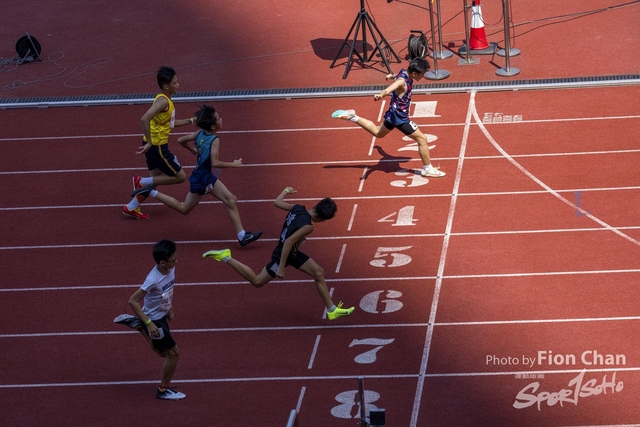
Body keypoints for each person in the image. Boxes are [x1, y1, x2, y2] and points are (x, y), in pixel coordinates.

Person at [202, 188, 354, 320]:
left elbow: (277, 202)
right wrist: (281, 267)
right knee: (257, 281)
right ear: (321, 219)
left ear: (315, 205)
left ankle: (331, 310)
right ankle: (226, 257)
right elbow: (288, 242)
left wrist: (286, 191)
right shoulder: (308, 226)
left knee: (318, 272)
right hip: (283, 254)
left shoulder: (298, 208)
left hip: (292, 253)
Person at [132, 104, 262, 247]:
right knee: (184, 208)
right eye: (219, 118)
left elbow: (180, 140)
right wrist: (233, 164)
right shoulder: (215, 140)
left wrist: (193, 150)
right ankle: (151, 191)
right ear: (213, 126)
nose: (221, 119)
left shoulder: (200, 133)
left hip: (205, 175)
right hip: (202, 178)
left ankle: (242, 236)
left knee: (231, 200)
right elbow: (215, 162)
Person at [331, 57, 445, 178]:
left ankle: (352, 117)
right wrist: (380, 95)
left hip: (392, 114)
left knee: (378, 132)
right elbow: (389, 89)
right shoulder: (402, 82)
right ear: (414, 73)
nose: (423, 76)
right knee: (422, 139)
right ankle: (427, 169)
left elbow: (397, 77)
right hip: (400, 118)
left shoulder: (404, 73)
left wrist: (391, 76)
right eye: (422, 74)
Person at [113, 239, 185, 400]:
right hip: (154, 320)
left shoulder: (170, 268)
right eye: (173, 259)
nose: (176, 261)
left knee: (161, 353)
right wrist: (149, 323)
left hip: (161, 315)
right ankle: (163, 390)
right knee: (173, 354)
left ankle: (138, 326)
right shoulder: (153, 279)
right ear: (162, 262)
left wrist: (169, 307)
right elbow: (132, 301)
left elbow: (167, 290)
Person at [122, 66, 196, 220]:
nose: (178, 84)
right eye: (175, 82)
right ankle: (141, 181)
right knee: (180, 176)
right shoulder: (163, 101)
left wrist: (191, 120)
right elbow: (144, 119)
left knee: (154, 181)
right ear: (166, 86)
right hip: (157, 146)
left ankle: (131, 207)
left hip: (153, 146)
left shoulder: (165, 100)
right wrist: (150, 142)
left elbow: (171, 124)